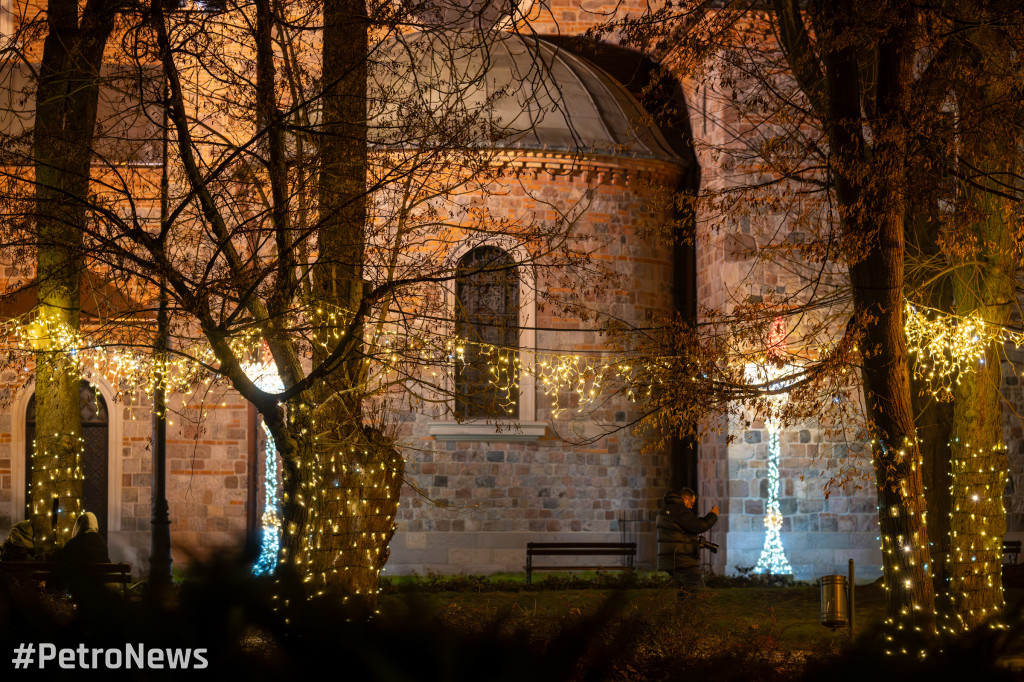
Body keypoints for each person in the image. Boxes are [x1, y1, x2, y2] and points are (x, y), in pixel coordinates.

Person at [656, 487, 718, 602]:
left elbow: (676, 535)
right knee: (698, 592)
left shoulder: (665, 510)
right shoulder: (679, 510)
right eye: (691, 503)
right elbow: (699, 526)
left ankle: (681, 619)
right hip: (682, 561)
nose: (691, 507)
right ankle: (693, 619)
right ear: (685, 499)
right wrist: (713, 515)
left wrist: (694, 543)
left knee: (683, 594)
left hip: (672, 561)